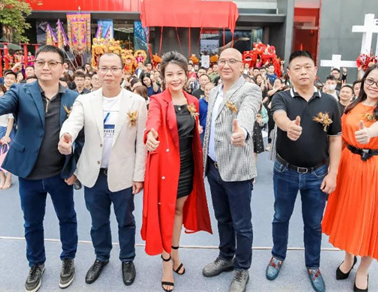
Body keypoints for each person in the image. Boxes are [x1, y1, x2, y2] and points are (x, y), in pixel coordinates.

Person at [0, 45, 81, 292]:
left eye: (52, 63)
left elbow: (81, 137)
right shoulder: (20, 91)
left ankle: (68, 259)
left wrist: (74, 168)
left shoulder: (74, 99)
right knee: (32, 222)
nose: (46, 67)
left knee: (67, 218)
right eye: (41, 62)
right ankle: (36, 263)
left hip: (60, 173)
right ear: (34, 65)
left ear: (63, 67)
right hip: (28, 173)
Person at [58, 52, 147, 287]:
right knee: (98, 222)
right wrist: (66, 136)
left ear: (123, 72)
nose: (109, 73)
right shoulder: (85, 100)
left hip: (123, 173)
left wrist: (139, 175)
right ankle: (101, 257)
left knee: (125, 220)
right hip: (93, 174)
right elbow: (73, 123)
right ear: (97, 71)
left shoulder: (136, 102)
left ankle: (127, 259)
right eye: (104, 68)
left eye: (114, 68)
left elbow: (141, 142)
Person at [322, 63, 378, 292]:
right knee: (348, 216)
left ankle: (363, 271)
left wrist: (370, 132)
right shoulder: (351, 106)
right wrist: (332, 170)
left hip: (374, 169)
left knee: (371, 220)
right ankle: (349, 259)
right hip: (348, 165)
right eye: (370, 81)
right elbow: (340, 139)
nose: (374, 86)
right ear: (363, 82)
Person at [266, 50, 342, 292]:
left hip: (317, 174)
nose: (303, 72)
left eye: (307, 67)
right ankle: (277, 256)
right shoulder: (282, 97)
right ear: (289, 73)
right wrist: (288, 126)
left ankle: (313, 265)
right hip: (285, 171)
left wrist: (333, 173)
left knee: (314, 223)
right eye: (297, 68)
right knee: (281, 217)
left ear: (315, 70)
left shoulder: (330, 102)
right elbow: (278, 116)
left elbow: (335, 139)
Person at [142, 51, 212, 292]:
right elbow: (153, 122)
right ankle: (166, 264)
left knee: (179, 210)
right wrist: (150, 135)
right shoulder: (157, 101)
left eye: (179, 73)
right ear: (163, 77)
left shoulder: (193, 101)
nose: (175, 78)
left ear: (186, 75)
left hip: (187, 165)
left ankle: (175, 253)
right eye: (170, 74)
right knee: (165, 213)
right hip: (165, 166)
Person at [201, 48, 262, 292]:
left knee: (241, 224)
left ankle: (242, 268)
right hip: (214, 168)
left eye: (232, 61)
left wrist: (242, 133)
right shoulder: (215, 90)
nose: (226, 65)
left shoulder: (250, 90)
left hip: (237, 169)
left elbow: (247, 114)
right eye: (222, 61)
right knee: (222, 218)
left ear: (241, 65)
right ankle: (226, 256)